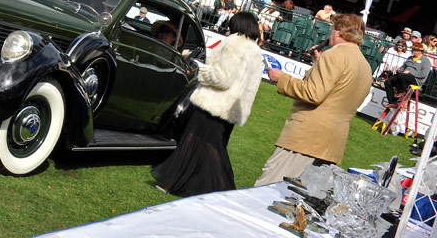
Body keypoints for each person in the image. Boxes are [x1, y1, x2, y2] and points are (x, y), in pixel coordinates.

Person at [152, 11, 263, 196]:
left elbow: (222, 78)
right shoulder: (255, 50)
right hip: (230, 109)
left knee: (195, 144)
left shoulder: (234, 42)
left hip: (213, 104)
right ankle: (204, 189)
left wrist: (200, 69)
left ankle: (176, 183)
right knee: (208, 148)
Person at [254, 13, 372, 186]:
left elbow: (314, 94)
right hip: (332, 143)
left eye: (332, 29)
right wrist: (319, 65)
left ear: (339, 32)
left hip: (305, 139)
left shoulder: (333, 55)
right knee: (300, 200)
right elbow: (338, 95)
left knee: (268, 190)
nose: (330, 34)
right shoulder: (365, 66)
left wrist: (282, 78)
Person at [383, 41, 432, 107]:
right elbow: (403, 67)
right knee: (388, 82)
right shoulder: (410, 58)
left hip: (416, 79)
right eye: (413, 49)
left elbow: (423, 74)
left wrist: (410, 72)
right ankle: (393, 102)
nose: (412, 50)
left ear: (419, 50)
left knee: (401, 75)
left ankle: (402, 92)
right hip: (403, 76)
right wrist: (399, 69)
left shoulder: (426, 60)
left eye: (414, 49)